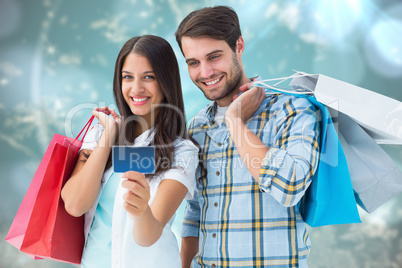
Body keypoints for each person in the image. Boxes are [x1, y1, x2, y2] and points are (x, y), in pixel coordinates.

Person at [175, 6, 321, 268]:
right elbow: (195, 212)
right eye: (193, 62)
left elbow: (290, 187)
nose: (205, 72)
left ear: (238, 46)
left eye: (214, 57)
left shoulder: (292, 109)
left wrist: (234, 121)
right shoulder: (197, 126)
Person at [61, 35, 199, 268]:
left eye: (149, 77)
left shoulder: (182, 151)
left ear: (166, 81)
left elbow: (149, 234)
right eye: (128, 77)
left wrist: (142, 209)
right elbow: (75, 205)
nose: (136, 88)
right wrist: (109, 135)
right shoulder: (99, 134)